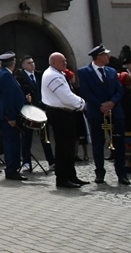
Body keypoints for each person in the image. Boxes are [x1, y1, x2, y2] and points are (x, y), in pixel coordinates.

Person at [77, 44, 128, 185]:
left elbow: (119, 90)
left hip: (115, 112)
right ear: (98, 57)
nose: (108, 57)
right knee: (98, 143)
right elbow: (86, 92)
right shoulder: (84, 72)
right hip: (97, 112)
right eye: (105, 55)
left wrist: (112, 102)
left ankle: (122, 174)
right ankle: (100, 172)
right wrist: (102, 105)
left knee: (119, 143)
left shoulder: (112, 71)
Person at [41, 52, 88, 189]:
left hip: (64, 112)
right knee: (63, 147)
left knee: (69, 146)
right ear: (53, 62)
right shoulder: (53, 75)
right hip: (59, 113)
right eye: (62, 61)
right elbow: (66, 96)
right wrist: (82, 104)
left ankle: (71, 175)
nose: (65, 63)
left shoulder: (57, 73)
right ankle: (62, 178)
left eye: (65, 60)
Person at [14, 55, 55, 172]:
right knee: (26, 138)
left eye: (32, 62)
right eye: (29, 63)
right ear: (23, 65)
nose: (32, 64)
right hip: (28, 111)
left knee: (45, 137)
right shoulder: (19, 77)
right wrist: (25, 99)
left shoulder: (40, 75)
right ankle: (26, 162)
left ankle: (51, 161)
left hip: (41, 110)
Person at [0, 52, 26, 181]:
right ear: (13, 63)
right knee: (12, 143)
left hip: (7, 113)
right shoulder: (6, 75)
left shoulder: (2, 73)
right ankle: (12, 170)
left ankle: (12, 169)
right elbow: (9, 97)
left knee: (11, 142)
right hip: (9, 115)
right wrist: (11, 117)